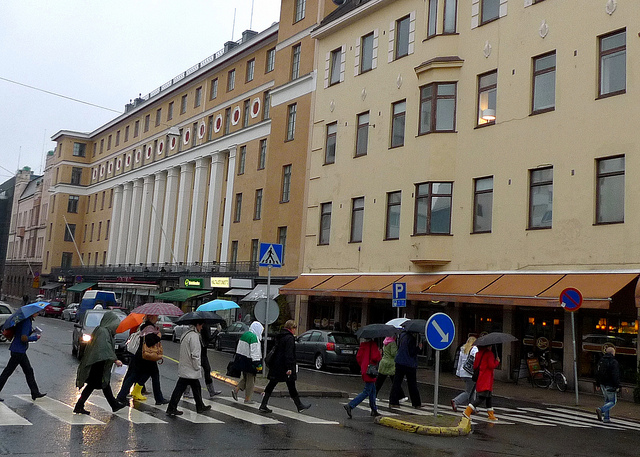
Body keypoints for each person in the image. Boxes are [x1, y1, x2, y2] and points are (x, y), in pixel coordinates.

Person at [73, 311, 126, 414]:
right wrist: (115, 359)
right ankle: (80, 406)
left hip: (98, 361)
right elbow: (105, 348)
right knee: (96, 384)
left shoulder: (104, 331)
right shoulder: (103, 332)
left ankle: (113, 404)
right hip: (98, 362)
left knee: (101, 384)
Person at [259, 319, 311, 414]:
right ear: (291, 328)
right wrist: (290, 367)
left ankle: (263, 404)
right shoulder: (289, 338)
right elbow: (289, 354)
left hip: (276, 365)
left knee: (272, 384)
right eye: (295, 328)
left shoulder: (280, 336)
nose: (295, 330)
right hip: (284, 367)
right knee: (291, 386)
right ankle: (299, 406)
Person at [116, 315, 168, 405]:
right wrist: (158, 337)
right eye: (156, 317)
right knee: (149, 375)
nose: (157, 319)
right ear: (151, 318)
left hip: (141, 356)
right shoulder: (149, 328)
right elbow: (149, 342)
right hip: (146, 357)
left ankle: (124, 394)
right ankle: (159, 398)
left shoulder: (146, 327)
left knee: (138, 375)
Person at [166, 320, 212, 416]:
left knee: (196, 386)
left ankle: (199, 406)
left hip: (185, 366)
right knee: (182, 388)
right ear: (197, 325)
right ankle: (172, 407)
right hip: (191, 368)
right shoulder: (194, 336)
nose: (202, 328)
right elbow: (195, 354)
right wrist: (197, 366)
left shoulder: (186, 334)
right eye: (201, 325)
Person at [0, 313, 46, 402]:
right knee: (7, 372)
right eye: (37, 312)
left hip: (18, 350)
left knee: (28, 371)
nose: (38, 313)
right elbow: (23, 338)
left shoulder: (24, 320)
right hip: (18, 351)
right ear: (32, 313)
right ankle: (35, 392)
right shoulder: (26, 321)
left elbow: (21, 333)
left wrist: (31, 332)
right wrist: (35, 337)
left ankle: (35, 392)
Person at [344, 338, 382, 418]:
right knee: (367, 391)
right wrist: (380, 353)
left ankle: (374, 409)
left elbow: (358, 357)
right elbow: (375, 357)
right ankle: (350, 405)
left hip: (365, 369)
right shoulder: (373, 345)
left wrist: (363, 365)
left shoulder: (363, 345)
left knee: (373, 391)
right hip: (370, 371)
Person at [463, 344, 500, 421]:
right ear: (488, 346)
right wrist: (497, 361)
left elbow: (475, 366)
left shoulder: (478, 354)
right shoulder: (489, 354)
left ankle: (491, 414)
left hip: (481, 377)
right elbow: (491, 365)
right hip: (487, 379)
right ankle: (467, 411)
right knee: (482, 397)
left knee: (488, 397)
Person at [231, 321, 264, 404]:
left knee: (245, 378)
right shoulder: (254, 338)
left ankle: (236, 389)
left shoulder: (245, 334)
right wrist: (258, 364)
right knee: (251, 381)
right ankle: (247, 399)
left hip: (242, 360)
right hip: (250, 362)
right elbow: (255, 352)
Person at [388, 330, 421, 408]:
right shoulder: (411, 339)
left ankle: (393, 401)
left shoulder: (402, 336)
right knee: (412, 384)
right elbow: (412, 352)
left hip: (399, 362)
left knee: (397, 383)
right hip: (409, 364)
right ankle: (416, 403)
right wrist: (419, 348)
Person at [375, 335, 406, 401]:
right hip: (390, 364)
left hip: (384, 363)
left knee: (379, 381)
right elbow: (394, 353)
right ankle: (401, 396)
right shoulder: (392, 343)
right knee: (395, 381)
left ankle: (373, 395)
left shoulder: (385, 341)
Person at [451, 336, 478, 412]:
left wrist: (458, 372)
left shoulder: (463, 349)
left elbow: (459, 361)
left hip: (463, 373)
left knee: (471, 391)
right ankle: (456, 401)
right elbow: (476, 360)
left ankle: (472, 407)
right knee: (469, 392)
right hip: (470, 373)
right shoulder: (474, 349)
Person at [595, 346, 620, 423]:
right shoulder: (613, 362)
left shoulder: (601, 361)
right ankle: (601, 410)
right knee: (612, 401)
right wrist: (617, 385)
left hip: (602, 384)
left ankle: (606, 418)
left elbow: (598, 373)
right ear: (613, 353)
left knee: (607, 400)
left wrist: (598, 384)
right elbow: (615, 374)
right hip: (610, 384)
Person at [199, 321, 222, 399]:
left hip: (201, 351)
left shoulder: (202, 325)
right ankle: (211, 391)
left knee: (204, 370)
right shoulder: (205, 326)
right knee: (206, 370)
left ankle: (186, 391)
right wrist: (217, 331)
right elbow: (209, 338)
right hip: (202, 352)